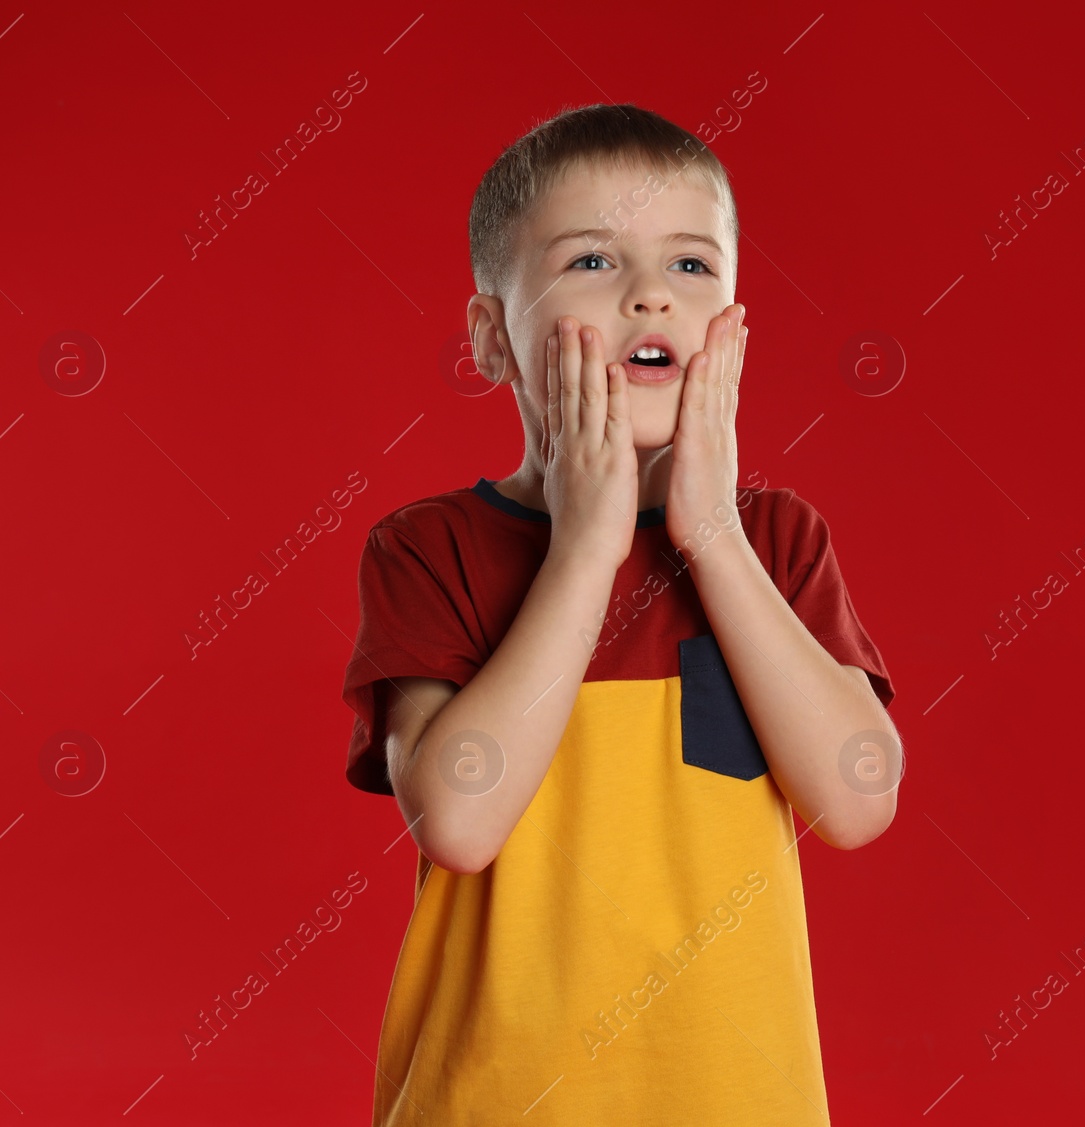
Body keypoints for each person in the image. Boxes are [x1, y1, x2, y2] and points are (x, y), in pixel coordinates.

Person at [339, 102, 901, 1126]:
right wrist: (585, 547)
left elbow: (858, 798)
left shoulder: (774, 540)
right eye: (593, 263)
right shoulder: (428, 548)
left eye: (691, 266)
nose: (651, 295)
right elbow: (458, 820)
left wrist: (713, 537)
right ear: (490, 336)